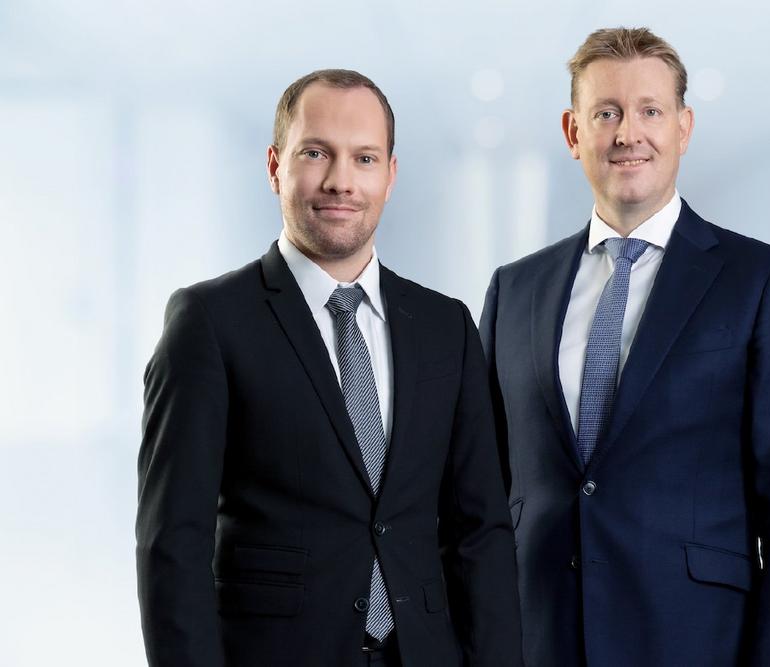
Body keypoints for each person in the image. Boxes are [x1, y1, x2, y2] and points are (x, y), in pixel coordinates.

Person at [137, 69, 522, 667]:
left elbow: (480, 531)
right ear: (275, 166)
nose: (341, 181)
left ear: (390, 175)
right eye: (316, 153)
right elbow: (172, 543)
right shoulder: (209, 322)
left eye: (364, 158)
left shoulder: (446, 326)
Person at [480, 27, 770, 666]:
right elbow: (477, 493)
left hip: (695, 641)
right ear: (573, 132)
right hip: (539, 640)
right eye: (606, 113)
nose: (628, 133)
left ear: (683, 128)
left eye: (650, 111)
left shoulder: (759, 281)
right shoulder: (515, 290)